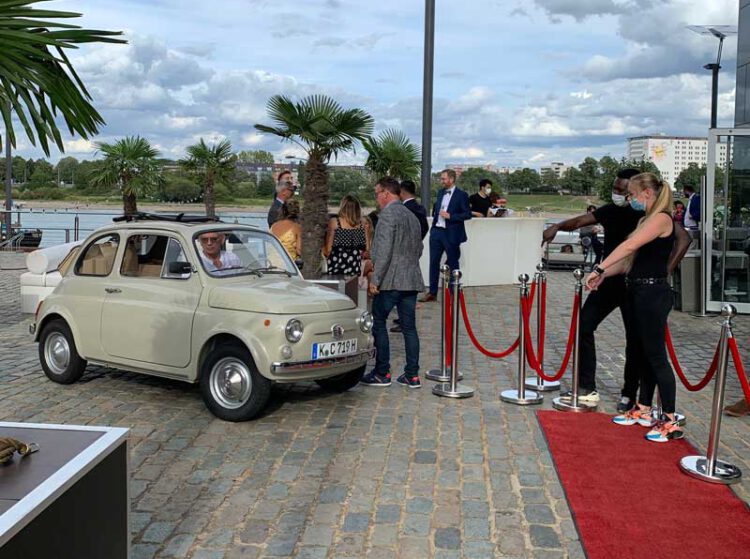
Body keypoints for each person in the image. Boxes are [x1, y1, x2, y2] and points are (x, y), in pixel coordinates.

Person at [541, 168, 691, 411]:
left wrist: (663, 272)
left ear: (646, 192)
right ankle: (587, 386)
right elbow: (584, 224)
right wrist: (558, 227)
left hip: (645, 289)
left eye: (627, 192)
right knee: (584, 324)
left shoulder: (658, 218)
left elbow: (643, 244)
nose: (623, 196)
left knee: (641, 345)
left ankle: (635, 397)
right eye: (620, 191)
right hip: (617, 281)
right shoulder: (625, 214)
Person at [585, 173, 683, 442]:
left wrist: (599, 266)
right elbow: (629, 259)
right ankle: (644, 408)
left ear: (647, 194)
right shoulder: (645, 220)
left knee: (656, 357)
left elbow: (629, 245)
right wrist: (605, 274)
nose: (629, 199)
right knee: (641, 353)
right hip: (638, 289)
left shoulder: (662, 219)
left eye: (632, 195)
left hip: (653, 293)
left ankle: (670, 420)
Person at [360, 177, 424, 388]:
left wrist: (374, 280)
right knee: (409, 328)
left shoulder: (388, 215)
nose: (376, 198)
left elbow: (384, 251)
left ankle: (382, 372)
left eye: (377, 194)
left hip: (391, 280)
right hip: (411, 278)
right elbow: (419, 249)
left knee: (378, 321)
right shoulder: (412, 216)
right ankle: (412, 375)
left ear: (386, 193)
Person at [421, 169, 471, 302]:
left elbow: (467, 214)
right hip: (437, 232)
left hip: (452, 234)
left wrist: (451, 216)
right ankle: (432, 293)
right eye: (441, 179)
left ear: (452, 179)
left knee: (454, 262)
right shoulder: (440, 192)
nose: (441, 181)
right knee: (433, 262)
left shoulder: (462, 195)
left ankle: (454, 292)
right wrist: (433, 230)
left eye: (443, 179)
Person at [391, 180, 429, 333]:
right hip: (411, 252)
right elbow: (424, 228)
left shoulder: (407, 209)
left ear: (402, 191)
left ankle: (404, 320)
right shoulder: (418, 207)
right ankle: (402, 317)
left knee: (402, 288)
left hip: (403, 254)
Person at [324, 195, 370, 276]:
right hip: (354, 268)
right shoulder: (363, 224)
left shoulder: (335, 222)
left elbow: (328, 250)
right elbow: (367, 249)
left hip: (336, 267)